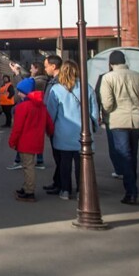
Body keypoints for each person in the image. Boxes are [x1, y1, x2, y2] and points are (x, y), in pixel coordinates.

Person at [99, 50, 139, 205]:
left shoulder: (107, 78)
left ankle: (131, 191)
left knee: (124, 154)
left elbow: (108, 104)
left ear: (111, 63)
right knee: (133, 153)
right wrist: (136, 107)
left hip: (118, 120)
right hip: (136, 119)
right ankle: (132, 185)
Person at [45, 61, 99, 200]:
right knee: (82, 165)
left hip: (63, 133)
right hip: (83, 133)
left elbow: (51, 113)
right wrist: (94, 127)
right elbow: (94, 112)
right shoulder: (87, 88)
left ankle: (65, 190)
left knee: (64, 164)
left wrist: (49, 129)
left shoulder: (56, 89)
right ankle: (82, 191)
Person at [9, 77, 54, 202]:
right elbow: (49, 123)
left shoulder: (22, 107)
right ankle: (26, 187)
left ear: (26, 92)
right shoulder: (41, 106)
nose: (18, 94)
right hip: (37, 141)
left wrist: (12, 141)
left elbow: (17, 128)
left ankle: (29, 192)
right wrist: (51, 133)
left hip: (25, 142)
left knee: (28, 167)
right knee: (28, 166)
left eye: (20, 91)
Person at [7, 61, 48, 170]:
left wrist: (16, 73)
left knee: (23, 137)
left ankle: (19, 160)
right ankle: (39, 161)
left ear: (36, 69)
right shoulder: (41, 80)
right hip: (37, 111)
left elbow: (24, 88)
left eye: (31, 68)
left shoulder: (38, 81)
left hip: (31, 111)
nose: (30, 70)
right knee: (36, 137)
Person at [42, 55, 63, 192]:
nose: (45, 69)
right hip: (58, 125)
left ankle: (62, 186)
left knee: (61, 157)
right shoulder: (53, 82)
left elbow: (52, 108)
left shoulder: (57, 84)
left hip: (58, 126)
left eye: (46, 66)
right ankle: (58, 182)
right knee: (60, 158)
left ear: (53, 66)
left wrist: (48, 126)